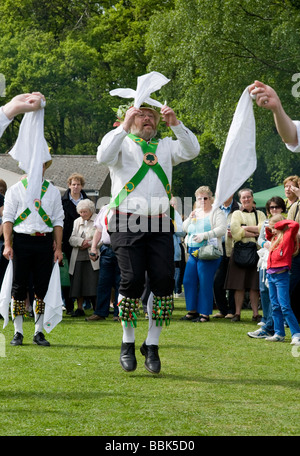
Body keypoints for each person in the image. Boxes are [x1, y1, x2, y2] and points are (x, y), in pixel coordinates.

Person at [97, 103, 200, 374]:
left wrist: (175, 122)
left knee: (164, 281)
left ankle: (151, 345)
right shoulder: (120, 142)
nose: (147, 119)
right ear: (129, 119)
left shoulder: (166, 146)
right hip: (126, 219)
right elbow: (102, 155)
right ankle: (127, 342)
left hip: (160, 221)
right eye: (141, 115)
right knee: (131, 280)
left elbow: (192, 150)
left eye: (151, 116)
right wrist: (123, 124)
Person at [3, 160, 64, 346]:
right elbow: (8, 218)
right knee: (19, 287)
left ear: (45, 167)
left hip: (44, 242)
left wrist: (59, 247)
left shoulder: (53, 191)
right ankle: (18, 332)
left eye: (41, 165)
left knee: (42, 288)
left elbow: (58, 220)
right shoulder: (15, 189)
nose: (38, 168)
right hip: (21, 240)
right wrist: (7, 244)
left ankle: (39, 332)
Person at [181, 186, 227, 322]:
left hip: (208, 252)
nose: (202, 200)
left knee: (205, 281)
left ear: (211, 198)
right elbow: (184, 228)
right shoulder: (196, 212)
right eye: (199, 198)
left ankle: (205, 314)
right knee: (188, 280)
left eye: (205, 198)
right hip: (192, 252)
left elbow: (222, 229)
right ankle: (192, 311)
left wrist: (205, 235)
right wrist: (189, 219)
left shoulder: (216, 212)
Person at [247, 197, 286, 339]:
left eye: (276, 207)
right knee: (263, 289)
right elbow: (260, 238)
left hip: (279, 261)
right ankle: (267, 319)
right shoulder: (265, 222)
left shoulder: (285, 222)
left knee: (273, 292)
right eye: (271, 208)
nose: (273, 210)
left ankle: (272, 324)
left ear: (282, 208)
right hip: (265, 258)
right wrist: (265, 244)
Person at [225, 188, 266, 322]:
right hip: (239, 252)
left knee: (254, 286)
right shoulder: (236, 213)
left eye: (248, 197)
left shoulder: (260, 214)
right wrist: (254, 232)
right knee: (239, 285)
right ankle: (237, 313)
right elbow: (235, 230)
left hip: (256, 252)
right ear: (240, 199)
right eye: (243, 197)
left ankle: (255, 314)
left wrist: (245, 228)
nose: (246, 199)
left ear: (252, 198)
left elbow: (263, 229)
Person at [263, 215, 300, 345]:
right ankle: (279, 333)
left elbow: (294, 224)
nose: (273, 230)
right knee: (275, 306)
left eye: (275, 227)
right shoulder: (274, 237)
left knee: (285, 306)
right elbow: (267, 235)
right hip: (271, 275)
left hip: (282, 275)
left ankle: (297, 333)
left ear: (280, 226)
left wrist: (279, 225)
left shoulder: (288, 236)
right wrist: (270, 227)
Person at [86, 204, 120, 322]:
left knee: (120, 283)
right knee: (103, 283)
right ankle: (100, 312)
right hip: (106, 248)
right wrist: (93, 248)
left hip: (123, 249)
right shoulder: (105, 209)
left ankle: (119, 313)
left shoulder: (129, 209)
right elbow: (99, 230)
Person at [61, 173, 89, 314]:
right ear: (69, 185)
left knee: (81, 274)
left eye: (78, 184)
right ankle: (69, 304)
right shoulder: (62, 202)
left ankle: (81, 305)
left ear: (82, 186)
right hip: (66, 241)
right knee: (67, 274)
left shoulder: (88, 202)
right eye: (73, 184)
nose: (76, 187)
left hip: (84, 243)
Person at [68, 199, 99, 317]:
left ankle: (96, 308)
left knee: (93, 282)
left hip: (93, 256)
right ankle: (79, 308)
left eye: (85, 212)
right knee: (78, 282)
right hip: (78, 256)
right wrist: (81, 242)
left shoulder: (97, 219)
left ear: (91, 210)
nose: (82, 214)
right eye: (80, 212)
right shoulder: (77, 221)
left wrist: (90, 244)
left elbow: (100, 238)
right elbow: (71, 238)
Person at [213, 194, 240, 319]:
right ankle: (222, 309)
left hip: (234, 248)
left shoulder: (238, 208)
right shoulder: (215, 209)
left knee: (233, 280)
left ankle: (232, 310)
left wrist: (235, 233)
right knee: (217, 281)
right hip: (218, 247)